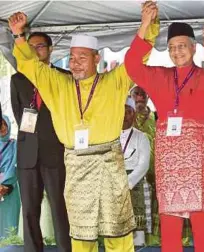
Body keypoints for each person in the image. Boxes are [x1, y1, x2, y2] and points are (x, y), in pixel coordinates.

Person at [8, 8, 158, 251]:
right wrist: (18, 36)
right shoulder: (58, 83)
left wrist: (145, 26)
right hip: (76, 167)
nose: (75, 63)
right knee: (80, 234)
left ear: (96, 59)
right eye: (72, 57)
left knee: (117, 232)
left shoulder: (114, 81)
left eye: (82, 57)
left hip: (109, 164)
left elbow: (135, 60)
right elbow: (32, 67)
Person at [124, 2, 204, 251]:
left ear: (194, 48)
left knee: (202, 217)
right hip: (169, 155)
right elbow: (132, 66)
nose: (176, 51)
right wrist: (144, 26)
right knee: (170, 220)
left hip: (197, 155)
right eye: (172, 47)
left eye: (182, 46)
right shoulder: (161, 75)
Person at [10, 31, 71, 252]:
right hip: (27, 153)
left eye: (41, 46)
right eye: (31, 46)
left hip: (55, 151)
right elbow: (19, 117)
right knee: (29, 210)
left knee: (60, 208)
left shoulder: (63, 76)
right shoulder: (17, 79)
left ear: (51, 49)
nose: (36, 51)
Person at [120, 97, 151, 246]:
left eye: (129, 112)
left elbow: (143, 164)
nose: (125, 116)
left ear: (134, 114)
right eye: (122, 112)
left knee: (137, 231)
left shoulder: (141, 136)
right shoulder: (109, 136)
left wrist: (129, 182)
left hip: (135, 184)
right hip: (113, 184)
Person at [0, 115, 20, 239]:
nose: (2, 128)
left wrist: (5, 185)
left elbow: (15, 165)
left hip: (10, 189)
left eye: (4, 124)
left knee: (10, 223)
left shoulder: (15, 145)